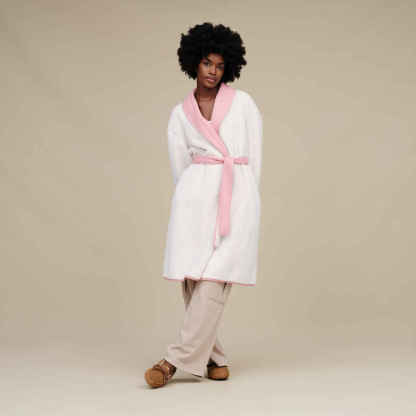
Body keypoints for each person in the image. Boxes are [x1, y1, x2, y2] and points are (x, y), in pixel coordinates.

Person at [145, 22, 263, 388]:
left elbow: (254, 158)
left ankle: (173, 361)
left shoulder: (243, 104)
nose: (213, 71)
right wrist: (193, 197)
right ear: (193, 62)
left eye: (219, 65)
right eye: (207, 63)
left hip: (236, 195)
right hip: (194, 200)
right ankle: (216, 359)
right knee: (194, 279)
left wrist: (248, 200)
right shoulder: (180, 114)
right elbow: (179, 165)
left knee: (215, 278)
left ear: (229, 67)